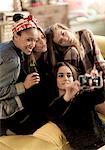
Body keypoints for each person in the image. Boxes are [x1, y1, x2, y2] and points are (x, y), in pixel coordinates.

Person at [45, 23, 105, 115]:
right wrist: (98, 82)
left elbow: (99, 62)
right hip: (89, 91)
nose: (66, 39)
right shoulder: (70, 53)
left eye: (63, 33)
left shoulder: (85, 34)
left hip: (99, 81)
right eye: (61, 41)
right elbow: (77, 84)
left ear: (65, 28)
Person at [0, 13, 42, 136]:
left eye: (35, 40)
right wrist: (23, 85)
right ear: (16, 36)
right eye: (29, 39)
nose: (32, 44)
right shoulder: (13, 61)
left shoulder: (5, 46)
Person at [48, 61, 105, 150]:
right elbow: (54, 113)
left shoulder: (83, 95)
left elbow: (99, 98)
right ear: (54, 79)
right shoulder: (55, 104)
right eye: (61, 75)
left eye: (69, 75)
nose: (65, 78)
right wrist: (67, 96)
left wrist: (100, 86)